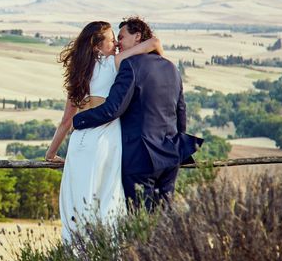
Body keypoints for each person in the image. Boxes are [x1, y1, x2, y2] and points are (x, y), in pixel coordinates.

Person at [44, 20, 163, 242]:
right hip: (105, 139)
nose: (116, 45)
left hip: (78, 143)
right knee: (106, 201)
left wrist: (50, 154)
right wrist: (164, 65)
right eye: (111, 40)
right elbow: (153, 43)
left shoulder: (78, 73)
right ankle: (106, 260)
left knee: (77, 203)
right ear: (97, 46)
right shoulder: (113, 64)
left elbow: (65, 121)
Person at [73, 17, 203, 212]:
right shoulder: (171, 68)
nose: (118, 43)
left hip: (140, 156)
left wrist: (79, 119)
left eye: (122, 37)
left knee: (139, 220)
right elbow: (181, 110)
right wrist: (178, 145)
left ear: (137, 37)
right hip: (171, 153)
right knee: (164, 219)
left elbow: (113, 109)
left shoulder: (131, 65)